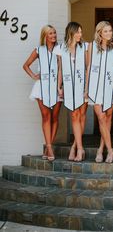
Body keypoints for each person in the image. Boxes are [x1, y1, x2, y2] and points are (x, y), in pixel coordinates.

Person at [23, 25, 61, 161]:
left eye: (54, 33)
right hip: (42, 87)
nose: (53, 35)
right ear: (45, 35)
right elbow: (25, 65)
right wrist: (34, 76)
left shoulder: (60, 49)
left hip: (56, 87)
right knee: (46, 117)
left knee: (55, 117)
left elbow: (63, 68)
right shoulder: (39, 50)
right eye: (50, 33)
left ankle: (47, 147)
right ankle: (49, 147)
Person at [56, 22, 88, 162]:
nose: (80, 35)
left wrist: (87, 88)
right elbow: (61, 69)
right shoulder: (60, 49)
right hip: (69, 87)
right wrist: (59, 86)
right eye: (78, 32)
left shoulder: (85, 47)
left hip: (83, 87)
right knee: (74, 116)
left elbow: (88, 68)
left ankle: (76, 147)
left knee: (81, 115)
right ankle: (79, 148)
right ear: (71, 32)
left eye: (81, 32)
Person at [86, 21, 113, 163]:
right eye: (105, 31)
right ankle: (110, 151)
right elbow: (89, 67)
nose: (109, 33)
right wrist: (86, 88)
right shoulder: (91, 46)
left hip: (110, 88)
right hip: (94, 88)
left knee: (108, 118)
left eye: (110, 31)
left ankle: (100, 148)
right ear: (99, 33)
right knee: (101, 118)